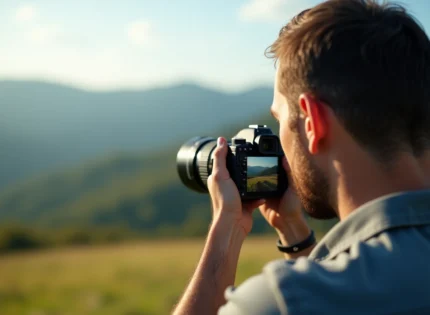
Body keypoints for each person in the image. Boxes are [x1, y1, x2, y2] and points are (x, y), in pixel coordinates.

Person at [173, 0, 430, 314]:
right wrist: (293, 231)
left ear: (312, 122)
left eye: (280, 120)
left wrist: (227, 229)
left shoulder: (282, 300)